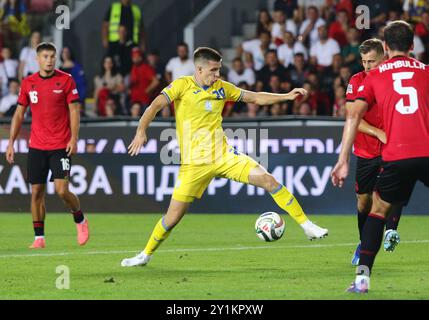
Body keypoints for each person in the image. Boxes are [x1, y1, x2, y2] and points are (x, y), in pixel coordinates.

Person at [121, 47, 328, 267]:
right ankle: (145, 254)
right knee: (172, 218)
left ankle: (307, 225)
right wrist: (141, 130)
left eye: (219, 70)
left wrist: (286, 96)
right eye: (213, 70)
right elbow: (154, 106)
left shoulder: (222, 88)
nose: (218, 75)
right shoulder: (182, 85)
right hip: (193, 164)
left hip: (224, 156)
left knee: (269, 180)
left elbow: (255, 98)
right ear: (199, 69)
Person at [331, 21, 429, 293]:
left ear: (385, 47)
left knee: (377, 212)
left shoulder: (374, 77)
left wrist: (342, 160)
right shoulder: (427, 72)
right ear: (412, 46)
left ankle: (362, 278)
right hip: (427, 150)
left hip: (396, 154)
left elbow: (353, 115)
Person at [5, 42, 90, 249]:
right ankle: (39, 238)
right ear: (38, 59)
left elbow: (74, 111)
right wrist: (11, 143)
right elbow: (19, 114)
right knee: (36, 192)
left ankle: (80, 219)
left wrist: (74, 138)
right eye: (45, 56)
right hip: (36, 146)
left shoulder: (66, 80)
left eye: (52, 56)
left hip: (61, 144)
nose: (49, 60)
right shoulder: (28, 83)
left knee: (61, 190)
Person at [345, 38, 403, 267]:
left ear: (385, 58)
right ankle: (363, 242)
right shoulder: (357, 81)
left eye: (372, 61)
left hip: (392, 148)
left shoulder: (394, 80)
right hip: (366, 151)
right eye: (364, 61)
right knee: (363, 202)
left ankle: (391, 231)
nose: (367, 66)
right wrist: (378, 132)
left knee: (391, 190)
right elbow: (353, 118)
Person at [129, 47, 159, 112]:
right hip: (134, 99)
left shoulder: (146, 68)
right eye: (134, 57)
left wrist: (146, 91)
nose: (136, 59)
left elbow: (156, 82)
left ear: (141, 57)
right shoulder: (133, 68)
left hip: (143, 101)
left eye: (138, 56)